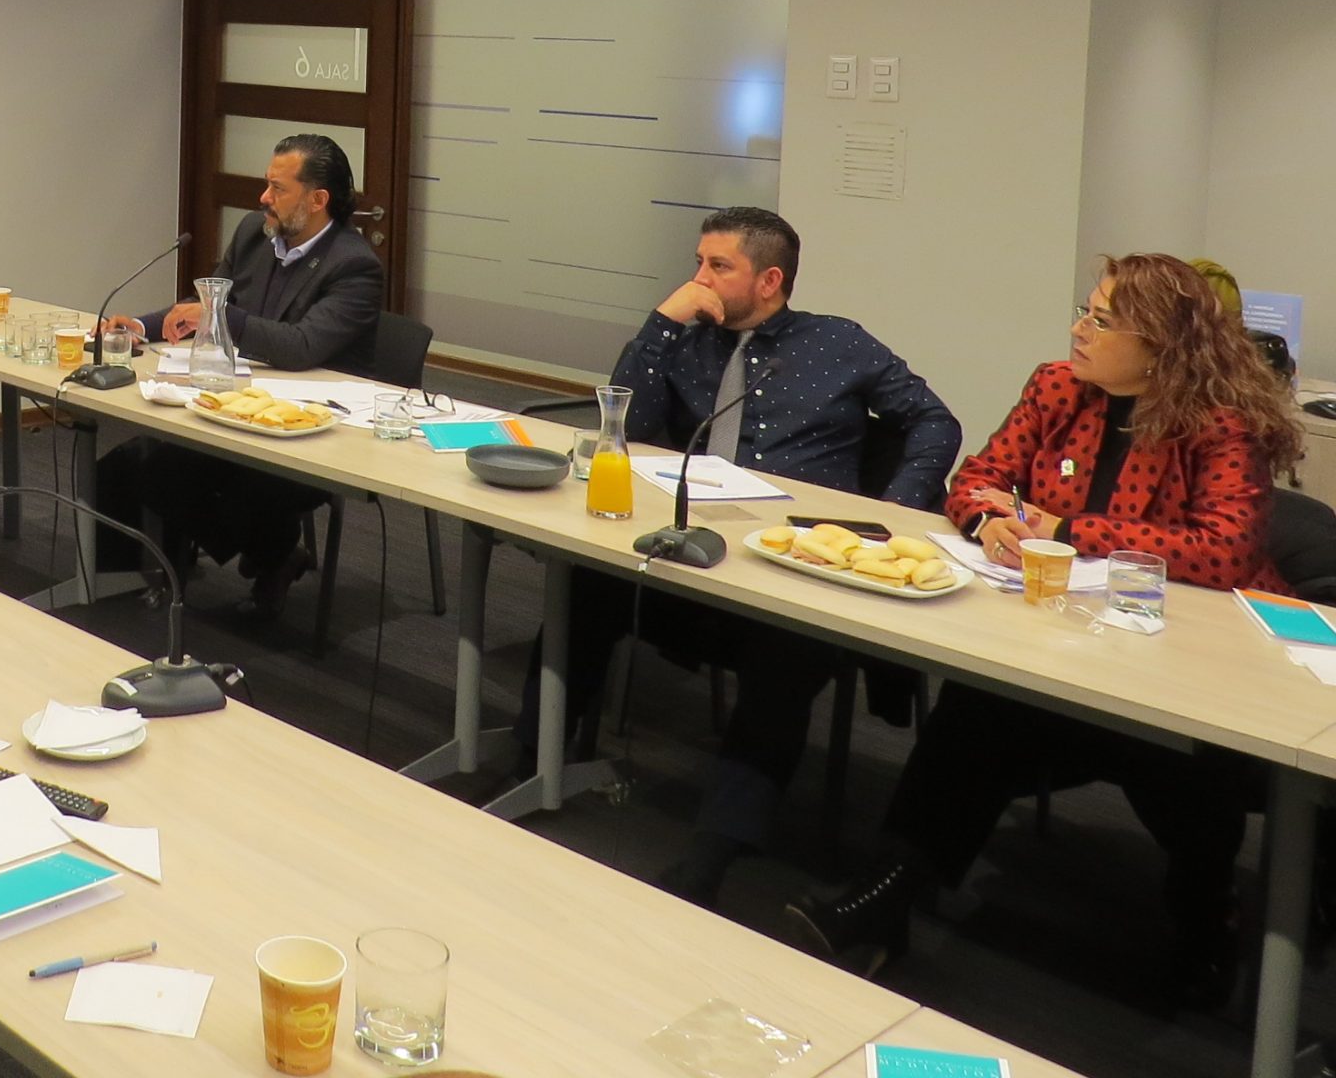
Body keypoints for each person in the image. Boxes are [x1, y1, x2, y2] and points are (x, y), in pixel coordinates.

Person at [786, 253, 1301, 1004]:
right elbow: (976, 479)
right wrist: (990, 521)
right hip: (1069, 634)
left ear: (1159, 344)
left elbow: (1223, 551)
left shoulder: (1219, 425)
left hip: (1198, 663)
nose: (1079, 329)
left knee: (1188, 764)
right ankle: (884, 898)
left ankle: (1205, 925)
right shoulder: (1058, 387)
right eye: (1085, 310)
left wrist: (1066, 528)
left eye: (1102, 319)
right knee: (977, 710)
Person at [515, 207, 960, 906]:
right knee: (585, 588)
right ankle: (529, 760)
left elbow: (934, 420)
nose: (699, 279)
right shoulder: (689, 340)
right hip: (692, 544)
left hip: (795, 562)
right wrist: (661, 323)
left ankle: (715, 850)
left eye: (718, 266)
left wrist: (893, 511)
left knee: (785, 657)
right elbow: (626, 425)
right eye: (697, 262)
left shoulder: (838, 343)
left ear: (770, 280)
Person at [106, 133, 383, 617]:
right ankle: (250, 557)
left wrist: (219, 315)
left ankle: (275, 554)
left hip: (314, 432)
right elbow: (208, 303)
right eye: (266, 184)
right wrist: (143, 328)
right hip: (242, 407)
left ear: (318, 200)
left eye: (278, 188)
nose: (263, 198)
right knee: (138, 464)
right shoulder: (256, 234)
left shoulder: (354, 266)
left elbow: (301, 347)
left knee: (219, 484)